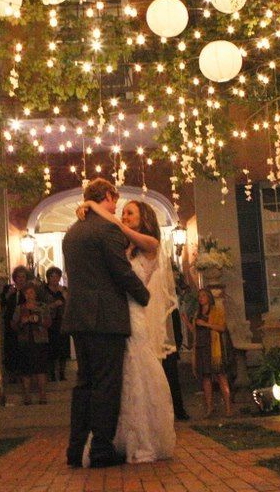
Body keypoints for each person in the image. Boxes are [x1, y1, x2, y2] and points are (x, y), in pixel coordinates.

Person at [78, 195, 176, 464]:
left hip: (136, 317)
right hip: (117, 316)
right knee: (119, 378)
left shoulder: (151, 245)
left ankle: (143, 439)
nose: (124, 218)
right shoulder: (125, 250)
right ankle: (117, 438)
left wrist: (94, 206)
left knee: (138, 374)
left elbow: (120, 230)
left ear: (143, 219)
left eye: (130, 213)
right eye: (123, 213)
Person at [62, 178, 150, 469]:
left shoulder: (72, 233)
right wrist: (144, 295)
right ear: (108, 196)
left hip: (77, 317)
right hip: (105, 318)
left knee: (84, 384)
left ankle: (75, 448)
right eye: (115, 199)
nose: (117, 206)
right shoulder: (107, 229)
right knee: (106, 385)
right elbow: (120, 271)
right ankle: (101, 447)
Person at [184, 288, 231, 417]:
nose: (201, 298)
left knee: (220, 375)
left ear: (209, 297)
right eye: (199, 296)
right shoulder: (197, 312)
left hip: (213, 347)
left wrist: (206, 324)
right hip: (201, 347)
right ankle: (209, 408)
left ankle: (228, 408)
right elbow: (195, 330)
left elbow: (222, 328)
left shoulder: (216, 311)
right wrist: (187, 322)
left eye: (203, 295)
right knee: (206, 378)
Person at [12, 280, 51, 405]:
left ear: (35, 294)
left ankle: (42, 395)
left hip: (39, 341)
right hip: (25, 341)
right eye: (27, 293)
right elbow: (13, 324)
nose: (29, 295)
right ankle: (27, 396)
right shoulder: (20, 308)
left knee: (41, 368)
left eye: (31, 292)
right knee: (26, 369)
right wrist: (22, 322)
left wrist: (38, 320)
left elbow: (49, 323)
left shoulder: (42, 307)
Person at [0, 265, 29, 381]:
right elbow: (1, 304)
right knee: (11, 348)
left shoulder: (28, 290)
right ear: (14, 278)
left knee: (23, 349)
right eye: (18, 277)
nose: (21, 279)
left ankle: (23, 374)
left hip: (24, 324)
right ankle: (12, 375)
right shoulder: (8, 289)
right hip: (9, 323)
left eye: (23, 277)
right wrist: (8, 295)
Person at [44, 266, 70, 382]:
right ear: (48, 278)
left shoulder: (63, 290)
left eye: (57, 276)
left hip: (62, 321)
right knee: (51, 348)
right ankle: (52, 374)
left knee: (63, 348)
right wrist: (53, 305)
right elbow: (41, 306)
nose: (55, 279)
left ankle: (62, 372)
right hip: (50, 322)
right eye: (52, 277)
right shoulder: (44, 291)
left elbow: (70, 303)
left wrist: (63, 294)